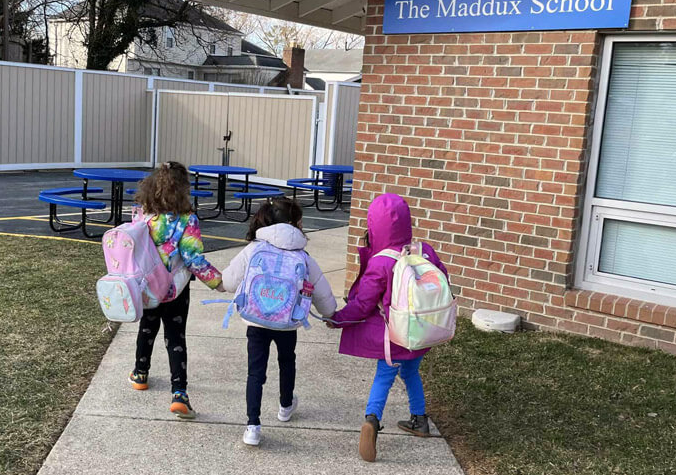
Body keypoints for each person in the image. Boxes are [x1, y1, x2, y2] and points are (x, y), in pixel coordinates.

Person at [326, 193, 448, 462]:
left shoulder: (381, 262)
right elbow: (442, 281)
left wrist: (338, 319)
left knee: (384, 376)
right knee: (411, 373)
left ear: (374, 226)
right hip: (422, 331)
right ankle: (419, 419)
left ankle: (372, 419)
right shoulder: (424, 250)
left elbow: (363, 304)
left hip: (394, 335)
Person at [221, 197, 337, 446]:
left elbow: (229, 281)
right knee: (287, 360)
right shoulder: (303, 255)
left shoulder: (254, 248)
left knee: (255, 372)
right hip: (287, 321)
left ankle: (253, 425)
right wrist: (329, 315)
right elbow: (322, 293)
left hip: (256, 321)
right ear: (295, 224)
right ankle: (285, 405)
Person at [128, 161, 225, 420]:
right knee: (175, 337)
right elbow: (194, 259)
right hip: (175, 289)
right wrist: (217, 281)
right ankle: (179, 393)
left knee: (147, 328)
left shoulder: (143, 216)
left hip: (147, 288)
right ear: (183, 190)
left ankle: (140, 373)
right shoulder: (187, 220)